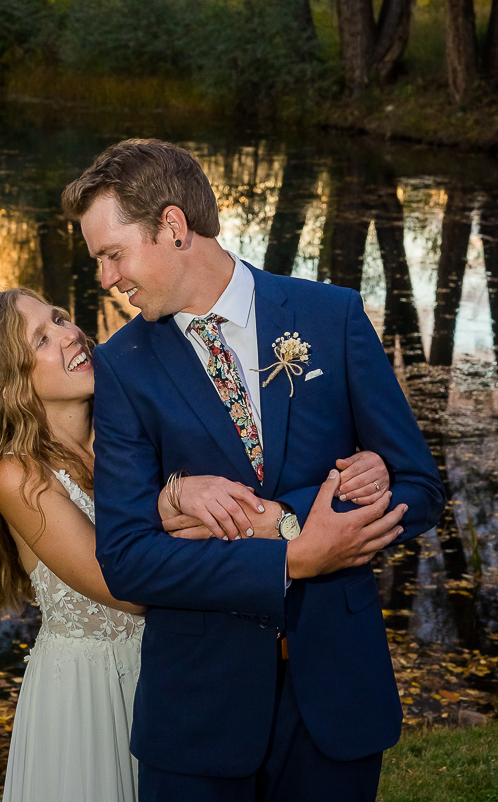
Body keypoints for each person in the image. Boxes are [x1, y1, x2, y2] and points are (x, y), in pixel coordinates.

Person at [62, 138, 445, 802]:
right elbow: (126, 558)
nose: (106, 278)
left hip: (335, 697)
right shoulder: (121, 369)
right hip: (196, 713)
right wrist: (293, 555)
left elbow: (418, 487)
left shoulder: (331, 317)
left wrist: (289, 515)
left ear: (172, 227)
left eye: (112, 254)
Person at [0, 287, 145, 802]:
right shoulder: (19, 476)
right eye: (41, 338)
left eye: (59, 318)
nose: (70, 333)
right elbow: (124, 587)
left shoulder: (126, 431)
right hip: (89, 694)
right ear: (10, 384)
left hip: (169, 670)